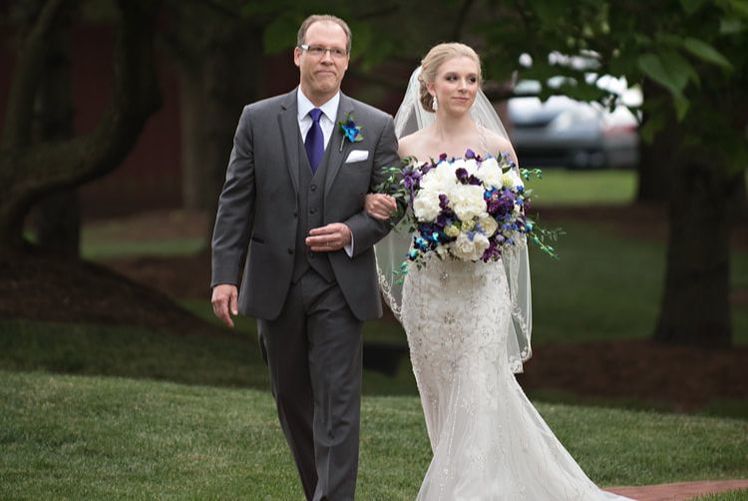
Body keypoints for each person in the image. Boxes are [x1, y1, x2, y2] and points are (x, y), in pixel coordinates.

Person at [365, 43, 632, 500]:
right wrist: (377, 203)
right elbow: (388, 214)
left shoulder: (496, 145)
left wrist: (480, 232)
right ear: (429, 86)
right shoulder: (404, 148)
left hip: (482, 290)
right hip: (429, 293)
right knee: (443, 400)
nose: (464, 87)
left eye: (471, 79)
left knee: (479, 388)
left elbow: (515, 222)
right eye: (453, 78)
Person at [210, 14, 399, 501]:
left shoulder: (374, 126)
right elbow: (236, 200)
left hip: (341, 286)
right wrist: (224, 276)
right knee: (293, 399)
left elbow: (391, 204)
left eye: (337, 52)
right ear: (298, 55)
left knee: (338, 405)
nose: (327, 60)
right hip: (277, 282)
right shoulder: (257, 118)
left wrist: (354, 230)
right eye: (318, 49)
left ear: (347, 61)